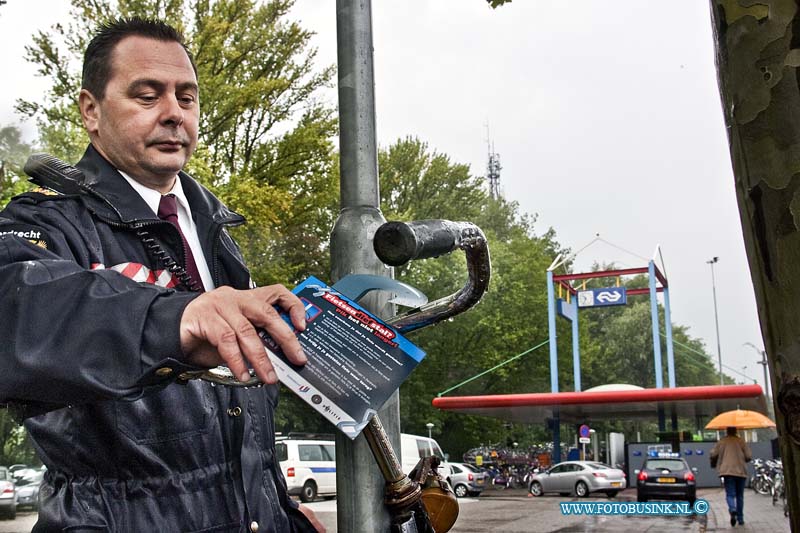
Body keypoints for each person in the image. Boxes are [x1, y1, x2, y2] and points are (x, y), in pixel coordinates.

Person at [0, 17, 325, 532]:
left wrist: (277, 507)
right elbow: (15, 308)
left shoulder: (214, 226)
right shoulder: (46, 221)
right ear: (91, 110)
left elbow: (234, 412)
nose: (175, 114)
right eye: (147, 96)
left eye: (187, 97)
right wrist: (176, 318)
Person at [710, 427, 752, 527]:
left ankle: (732, 509)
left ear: (727, 431)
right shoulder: (741, 441)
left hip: (727, 472)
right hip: (741, 472)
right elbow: (749, 456)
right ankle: (740, 519)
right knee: (740, 496)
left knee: (730, 494)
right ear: (736, 431)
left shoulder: (722, 442)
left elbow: (713, 453)